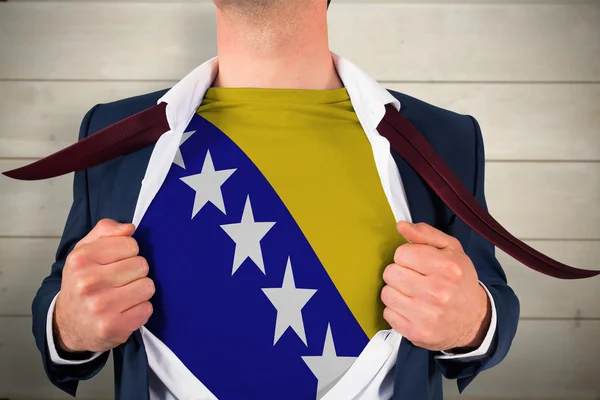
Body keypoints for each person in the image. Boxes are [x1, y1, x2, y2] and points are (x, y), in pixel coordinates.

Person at [31, 0, 520, 399]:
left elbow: (490, 300)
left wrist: (473, 321)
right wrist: (69, 325)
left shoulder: (445, 137)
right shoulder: (111, 131)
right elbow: (62, 293)